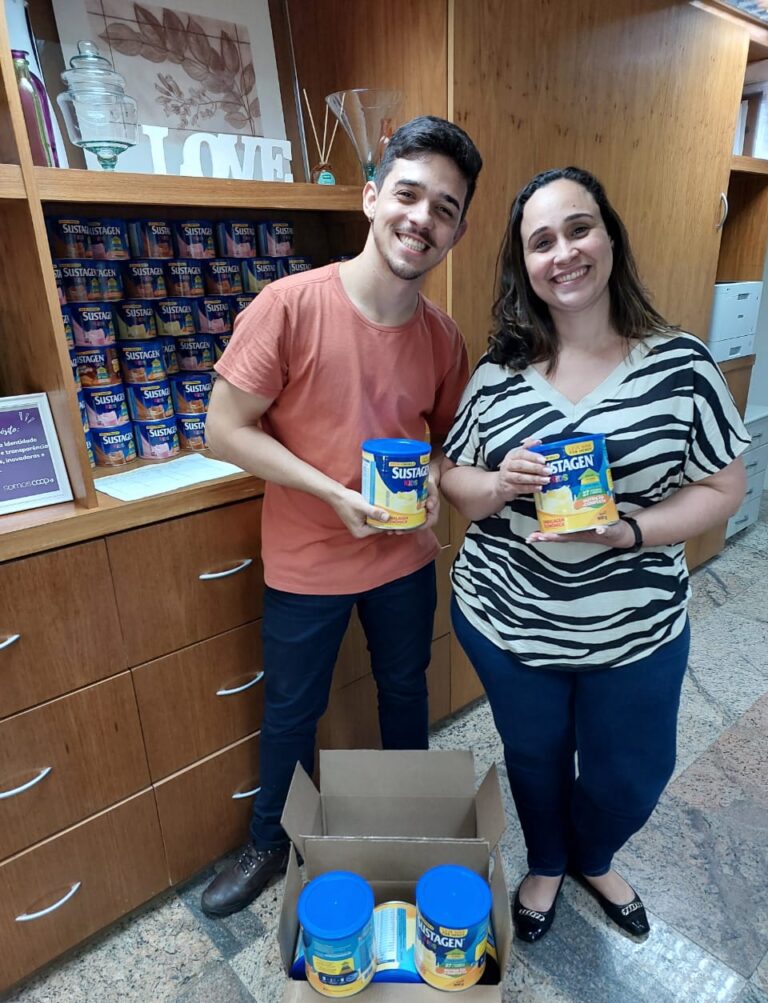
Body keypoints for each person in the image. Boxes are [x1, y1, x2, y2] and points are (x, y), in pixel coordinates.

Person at [440, 166, 749, 943]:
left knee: (631, 776)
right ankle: (549, 862)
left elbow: (723, 486)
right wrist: (498, 482)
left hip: (636, 626)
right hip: (510, 621)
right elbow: (455, 482)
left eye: (578, 229)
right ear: (525, 265)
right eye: (541, 241)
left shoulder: (681, 365)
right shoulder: (498, 375)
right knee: (534, 757)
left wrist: (630, 532)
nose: (564, 253)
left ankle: (594, 853)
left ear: (609, 236)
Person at [200, 115, 483, 917]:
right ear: (370, 197)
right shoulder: (289, 306)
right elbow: (224, 428)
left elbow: (443, 443)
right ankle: (268, 842)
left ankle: (412, 826)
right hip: (307, 558)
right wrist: (330, 492)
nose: (421, 219)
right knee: (293, 710)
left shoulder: (442, 336)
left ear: (457, 232)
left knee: (405, 689)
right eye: (408, 195)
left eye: (445, 209)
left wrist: (438, 480)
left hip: (403, 557)